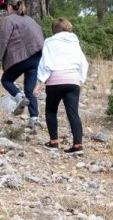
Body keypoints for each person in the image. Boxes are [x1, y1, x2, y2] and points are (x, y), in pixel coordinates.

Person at [34, 18, 88, 153]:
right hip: (72, 80)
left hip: (55, 80)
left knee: (51, 111)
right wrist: (80, 78)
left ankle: (54, 142)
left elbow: (45, 63)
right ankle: (78, 145)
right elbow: (83, 61)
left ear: (54, 30)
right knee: (73, 113)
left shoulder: (49, 42)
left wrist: (39, 82)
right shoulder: (75, 42)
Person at [0, 0, 44, 128]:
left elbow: (2, 41)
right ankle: (34, 119)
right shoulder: (30, 20)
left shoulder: (8, 20)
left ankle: (19, 97)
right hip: (36, 57)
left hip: (21, 57)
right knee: (30, 89)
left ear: (9, 6)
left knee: (6, 80)